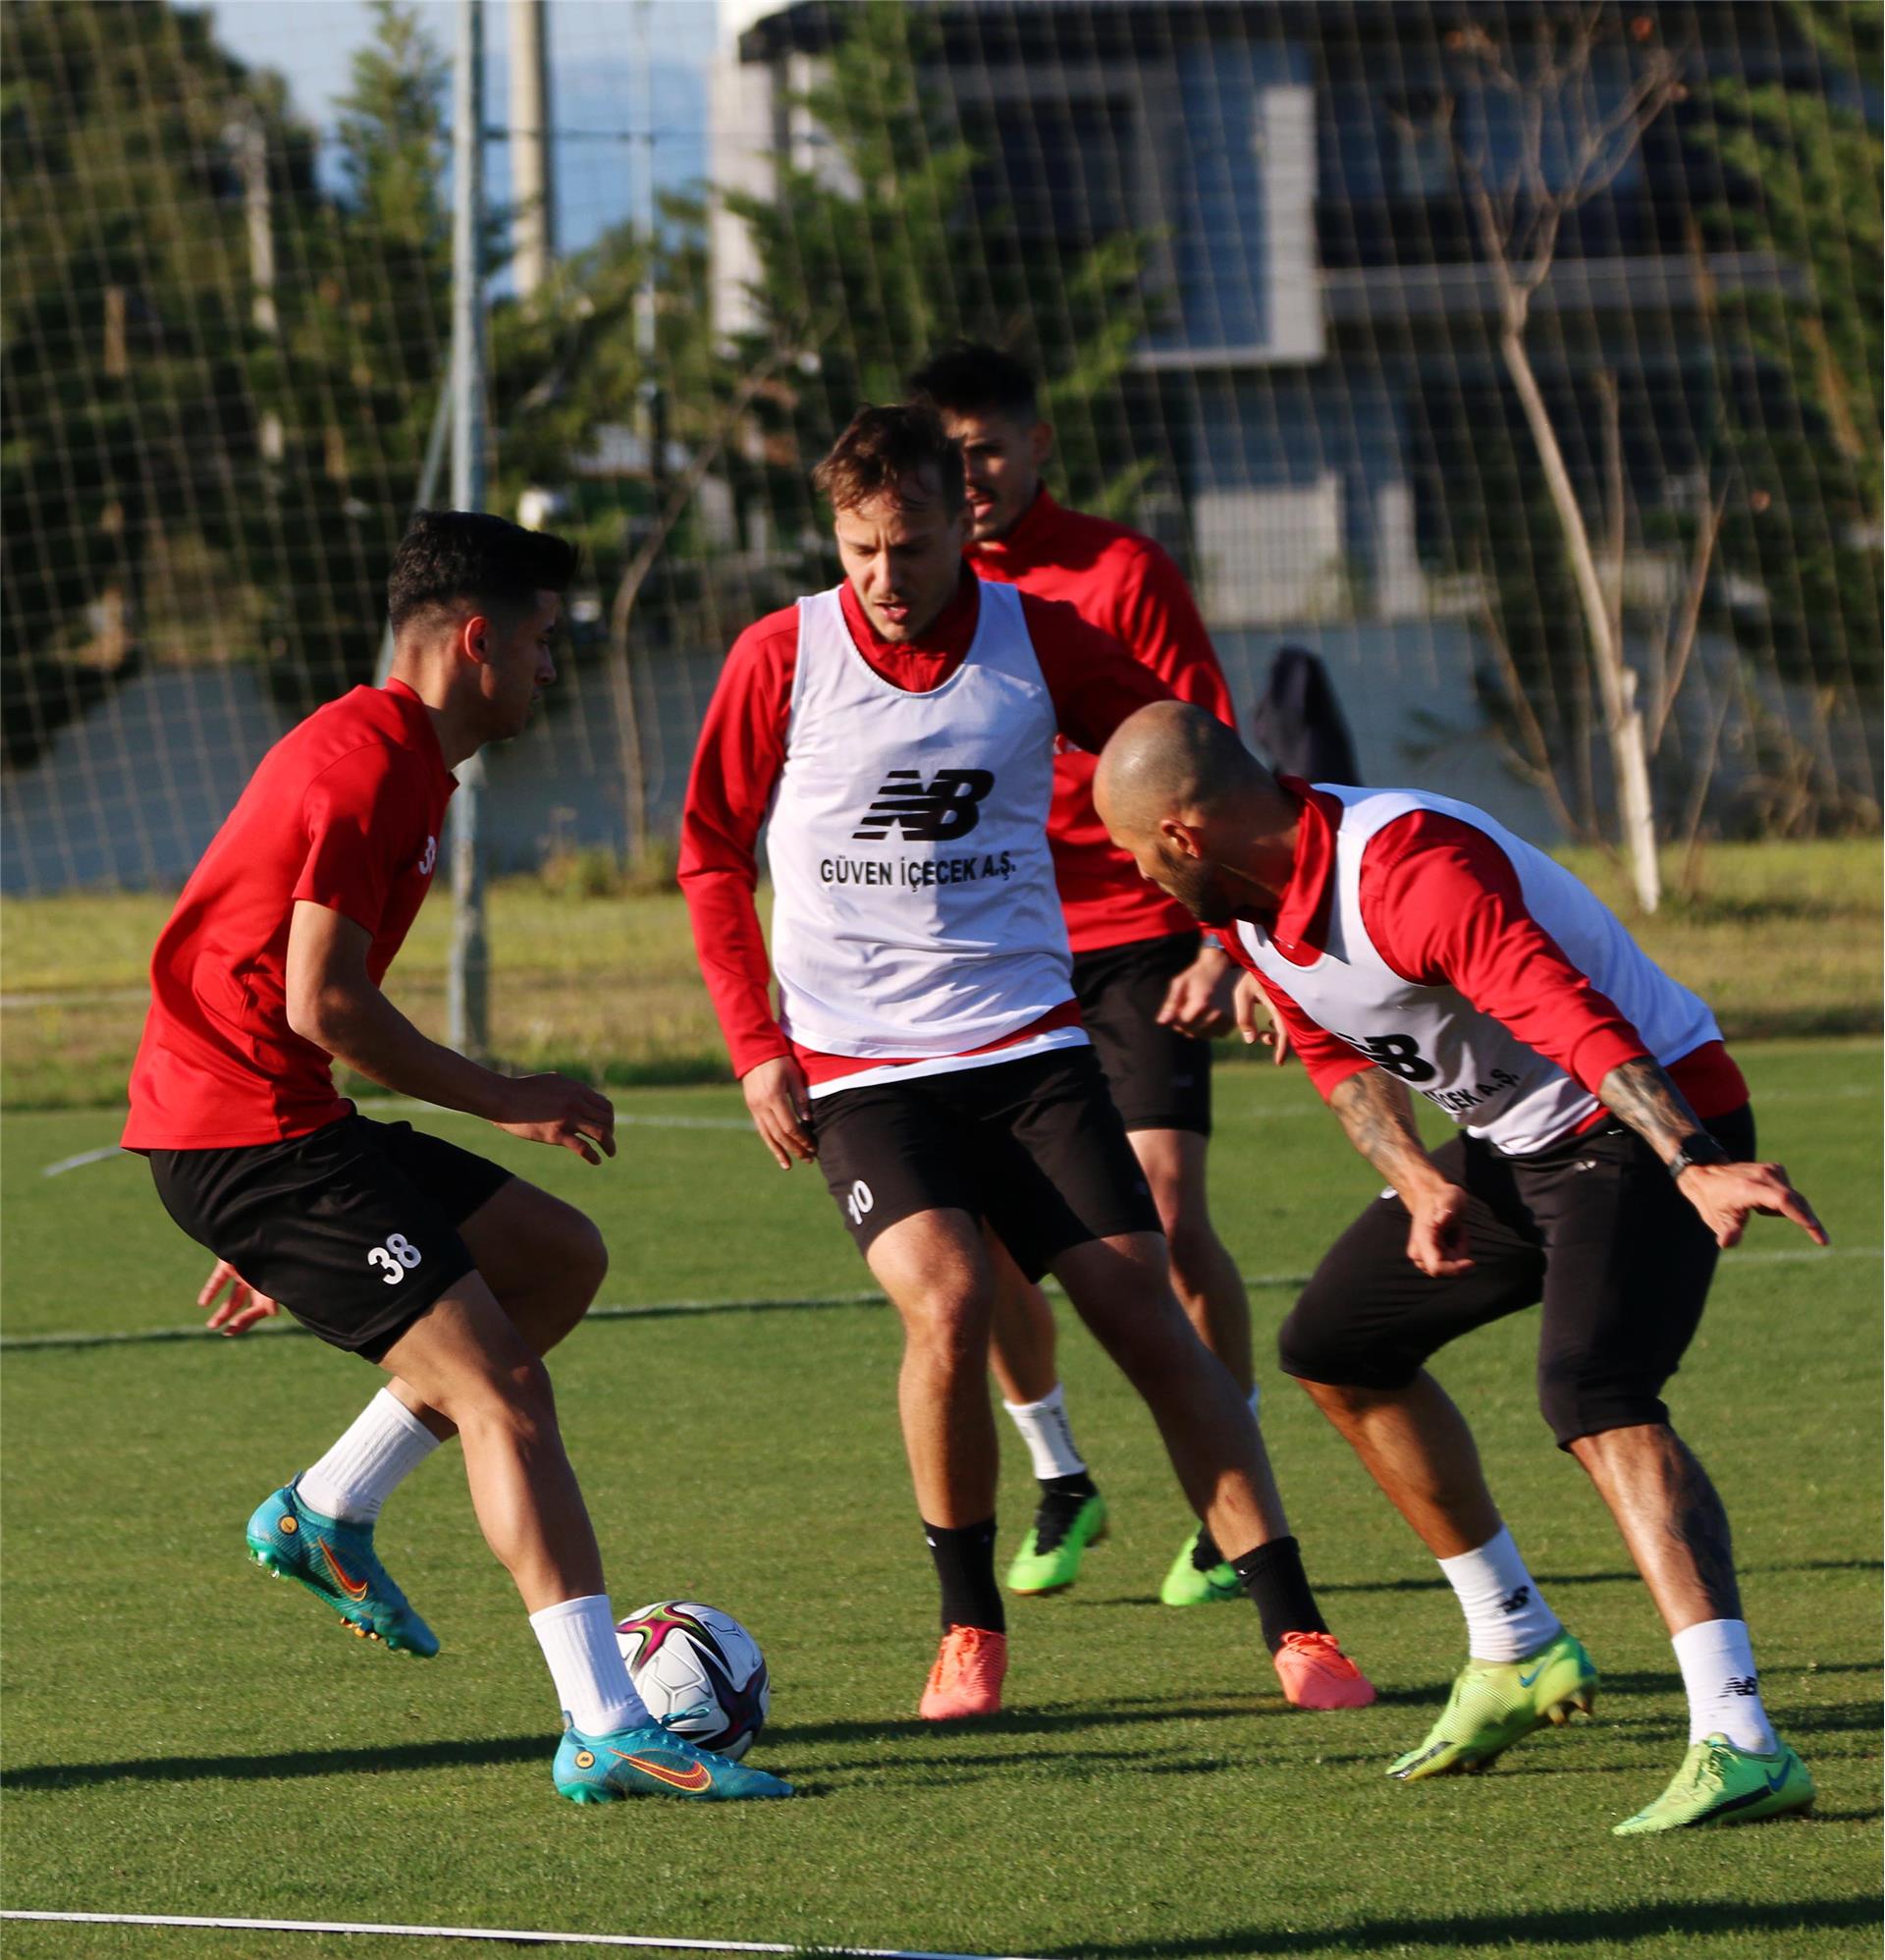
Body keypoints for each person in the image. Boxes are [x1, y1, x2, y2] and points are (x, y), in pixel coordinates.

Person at [679, 404, 1373, 1720]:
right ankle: (969, 1630)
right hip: (861, 1064)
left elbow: (1192, 775)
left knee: (1142, 1311)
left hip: (1028, 1046)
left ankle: (1298, 1627)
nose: (886, 577)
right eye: (861, 549)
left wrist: (1259, 931)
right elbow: (710, 851)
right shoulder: (781, 653)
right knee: (948, 1302)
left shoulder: (1038, 639)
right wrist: (755, 1045)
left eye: (911, 545)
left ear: (965, 524)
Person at [122, 510, 788, 1806]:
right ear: (478, 640)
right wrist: (503, 1097)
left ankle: (326, 1508)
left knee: (555, 1258)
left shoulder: (408, 762)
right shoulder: (364, 765)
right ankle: (605, 1725)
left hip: (273, 1129)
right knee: (504, 1393)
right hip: (249, 1134)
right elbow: (324, 1000)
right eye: (544, 640)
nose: (555, 665)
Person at [1094, 699, 1827, 1834]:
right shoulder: (1248, 907)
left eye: (1137, 853)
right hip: (1516, 1145)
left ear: (1182, 834)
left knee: (1594, 1392)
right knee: (1337, 1345)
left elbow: (1569, 1014)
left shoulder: (1407, 870)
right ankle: (1516, 1643)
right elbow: (1334, 1048)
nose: (1138, 877)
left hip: (1646, 1119)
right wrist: (1417, 1178)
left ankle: (1743, 1740)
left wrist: (1692, 1160)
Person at [909, 342, 1254, 1607]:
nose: (971, 478)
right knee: (981, 1240)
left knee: (1162, 1214)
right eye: (947, 458)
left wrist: (1225, 938)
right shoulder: (915, 593)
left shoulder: (1120, 571)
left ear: (1038, 444)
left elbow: (1205, 743)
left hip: (1140, 931)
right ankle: (1060, 1471)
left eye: (988, 450)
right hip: (1000, 949)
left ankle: (1231, 1486)